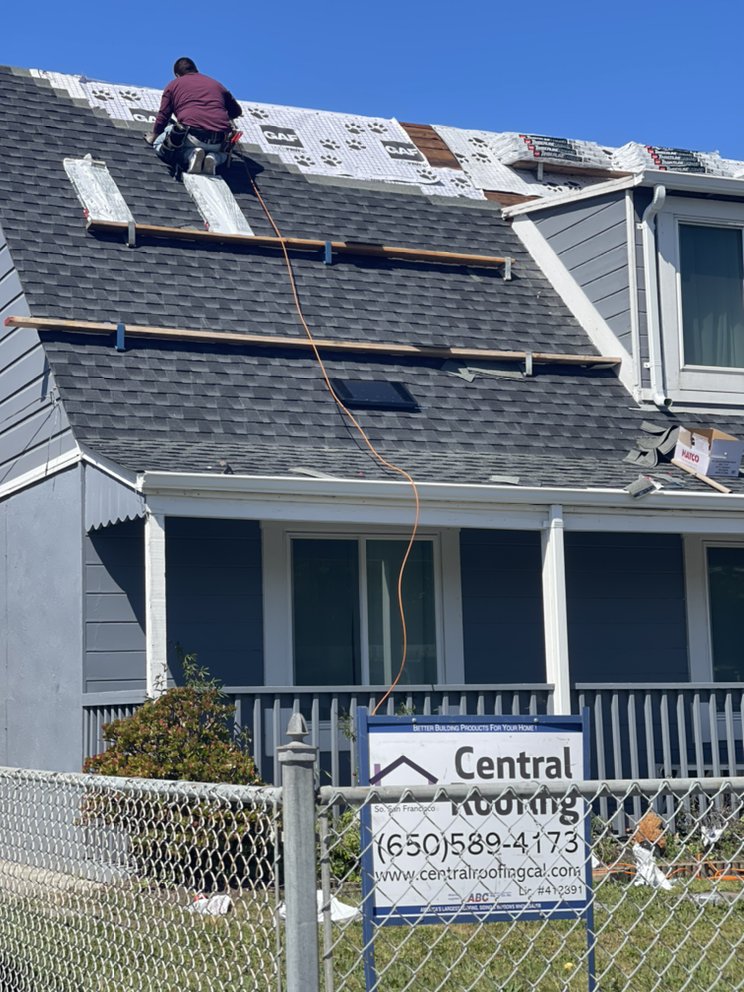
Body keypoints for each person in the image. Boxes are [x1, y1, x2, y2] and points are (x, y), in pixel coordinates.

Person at [145, 58, 242, 175]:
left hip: (192, 136)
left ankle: (192, 154)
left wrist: (154, 135)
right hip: (218, 140)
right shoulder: (216, 85)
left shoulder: (173, 85)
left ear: (177, 75)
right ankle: (213, 159)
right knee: (224, 155)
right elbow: (236, 111)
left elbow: (163, 115)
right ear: (196, 70)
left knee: (160, 144)